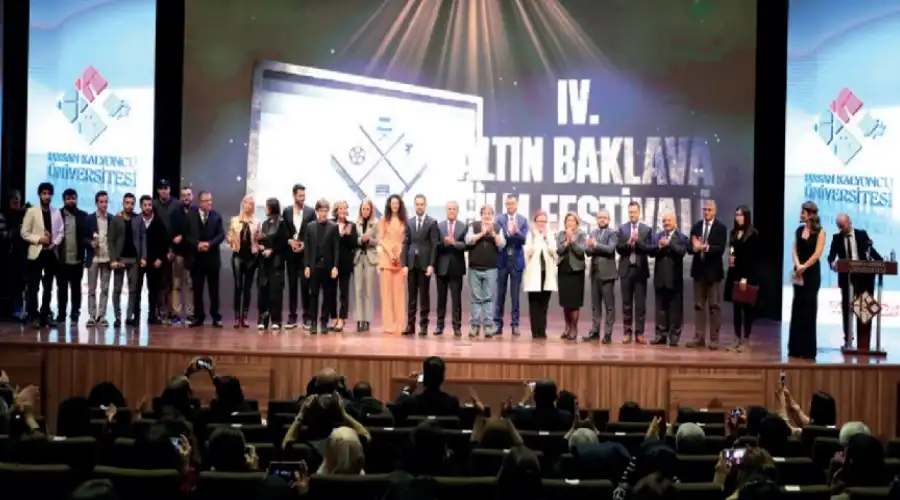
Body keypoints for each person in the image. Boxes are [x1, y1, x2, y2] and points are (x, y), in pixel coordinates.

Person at [827, 214, 882, 350]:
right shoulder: (837, 238)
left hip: (864, 278)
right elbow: (831, 256)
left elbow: (871, 251)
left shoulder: (862, 234)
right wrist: (832, 263)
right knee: (847, 309)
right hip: (846, 278)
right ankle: (848, 340)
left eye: (842, 225)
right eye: (839, 226)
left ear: (849, 222)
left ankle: (863, 342)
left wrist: (881, 262)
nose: (841, 229)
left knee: (864, 309)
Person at [21, 182, 64, 328]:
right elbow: (24, 233)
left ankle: (45, 314)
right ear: (39, 195)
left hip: (51, 253)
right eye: (44, 193)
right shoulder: (31, 211)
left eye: (49, 194)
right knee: (33, 286)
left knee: (48, 287)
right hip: (36, 253)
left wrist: (54, 243)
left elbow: (61, 232)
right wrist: (39, 239)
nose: (47, 196)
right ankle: (33, 315)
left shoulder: (56, 212)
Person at [687, 200, 728, 350]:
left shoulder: (721, 228)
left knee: (714, 307)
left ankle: (714, 339)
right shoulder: (696, 226)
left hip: (713, 273)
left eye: (709, 210)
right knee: (698, 306)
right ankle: (699, 338)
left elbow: (720, 249)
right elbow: (689, 248)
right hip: (698, 273)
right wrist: (695, 248)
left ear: (714, 211)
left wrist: (706, 247)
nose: (706, 212)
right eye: (704, 209)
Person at [789, 201, 826, 359]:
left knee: (809, 309)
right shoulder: (799, 230)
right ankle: (795, 348)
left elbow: (817, 254)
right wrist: (798, 265)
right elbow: (794, 250)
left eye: (803, 212)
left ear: (811, 214)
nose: (801, 214)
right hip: (799, 272)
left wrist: (805, 266)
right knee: (797, 307)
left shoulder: (820, 232)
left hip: (811, 273)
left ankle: (807, 350)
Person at [184, 191, 226, 328]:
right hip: (196, 259)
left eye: (210, 200)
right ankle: (198, 316)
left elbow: (221, 235)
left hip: (212, 259)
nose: (210, 203)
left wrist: (209, 244)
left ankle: (216, 317)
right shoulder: (190, 216)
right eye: (207, 200)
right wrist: (197, 245)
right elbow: (186, 235)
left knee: (214, 290)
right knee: (197, 290)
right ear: (200, 202)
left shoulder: (216, 216)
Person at [465, 204, 506, 338]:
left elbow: (502, 244)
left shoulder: (497, 227)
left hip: (491, 268)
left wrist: (493, 233)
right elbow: (468, 241)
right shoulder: (473, 226)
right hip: (474, 267)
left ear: (492, 215)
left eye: (489, 213)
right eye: (484, 213)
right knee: (476, 298)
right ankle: (475, 326)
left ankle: (488, 326)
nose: (487, 216)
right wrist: (482, 233)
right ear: (481, 215)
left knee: (488, 297)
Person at [616, 201, 653, 344]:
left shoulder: (646, 229)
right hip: (626, 270)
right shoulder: (622, 229)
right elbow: (619, 249)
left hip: (640, 270)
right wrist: (628, 243)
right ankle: (627, 332)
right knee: (626, 303)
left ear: (639, 212)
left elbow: (650, 249)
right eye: (630, 212)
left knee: (640, 304)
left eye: (634, 212)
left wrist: (638, 243)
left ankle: (639, 333)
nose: (632, 214)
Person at [724, 205, 760, 352]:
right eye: (737, 215)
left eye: (741, 215)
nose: (738, 218)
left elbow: (753, 258)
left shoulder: (753, 234)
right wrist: (730, 259)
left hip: (747, 275)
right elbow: (732, 251)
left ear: (746, 217)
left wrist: (745, 277)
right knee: (736, 308)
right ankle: (737, 338)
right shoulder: (733, 233)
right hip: (734, 273)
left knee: (747, 309)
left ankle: (746, 339)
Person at [403, 194, 438, 336]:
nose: (419, 207)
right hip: (411, 264)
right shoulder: (409, 222)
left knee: (424, 296)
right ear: (414, 205)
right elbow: (406, 244)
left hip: (424, 264)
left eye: (422, 204)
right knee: (411, 297)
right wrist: (405, 264)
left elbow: (434, 245)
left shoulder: (432, 222)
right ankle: (410, 325)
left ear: (425, 205)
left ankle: (423, 326)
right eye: (417, 204)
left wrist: (431, 264)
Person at [650, 211, 687, 347]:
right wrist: (658, 246)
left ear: (675, 222)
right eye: (664, 221)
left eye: (669, 220)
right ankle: (661, 335)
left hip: (674, 279)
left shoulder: (681, 237)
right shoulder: (657, 236)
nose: (666, 223)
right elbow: (651, 252)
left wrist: (669, 244)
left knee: (675, 310)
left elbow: (682, 252)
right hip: (660, 278)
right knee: (661, 309)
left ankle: (674, 337)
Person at [304, 198, 340, 334]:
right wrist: (307, 266)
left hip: (328, 266)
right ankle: (313, 322)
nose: (324, 213)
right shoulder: (310, 226)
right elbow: (307, 248)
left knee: (328, 295)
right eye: (321, 211)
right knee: (313, 295)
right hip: (314, 266)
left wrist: (335, 266)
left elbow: (336, 248)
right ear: (317, 211)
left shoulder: (333, 227)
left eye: (326, 211)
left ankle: (324, 321)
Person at [284, 183, 316, 330]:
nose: (302, 198)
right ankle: (292, 317)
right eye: (300, 196)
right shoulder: (287, 211)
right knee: (292, 286)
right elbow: (284, 231)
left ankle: (306, 317)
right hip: (291, 255)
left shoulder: (310, 212)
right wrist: (289, 241)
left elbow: (314, 232)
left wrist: (305, 244)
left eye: (304, 195)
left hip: (305, 255)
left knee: (305, 286)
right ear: (294, 195)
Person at [495, 195, 528, 336]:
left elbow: (524, 240)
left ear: (517, 204)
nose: (509, 206)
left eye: (512, 203)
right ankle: (498, 324)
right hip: (502, 260)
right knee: (500, 294)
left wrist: (516, 232)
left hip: (516, 261)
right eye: (507, 203)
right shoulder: (499, 219)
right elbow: (499, 238)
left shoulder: (523, 220)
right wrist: (511, 236)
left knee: (515, 296)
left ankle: (515, 324)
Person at [227, 195, 260, 328]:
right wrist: (231, 240)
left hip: (251, 257)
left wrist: (259, 246)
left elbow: (258, 239)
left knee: (247, 288)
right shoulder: (234, 220)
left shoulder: (257, 222)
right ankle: (236, 317)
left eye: (251, 204)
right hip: (238, 256)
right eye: (246, 203)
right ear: (242, 205)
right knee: (238, 286)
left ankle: (244, 317)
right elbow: (229, 237)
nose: (248, 206)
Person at [108, 193, 141, 328]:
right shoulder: (116, 219)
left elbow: (142, 238)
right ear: (123, 203)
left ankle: (129, 317)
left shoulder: (138, 219)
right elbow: (110, 240)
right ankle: (117, 317)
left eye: (132, 203)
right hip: (119, 259)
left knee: (133, 290)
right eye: (127, 203)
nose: (129, 205)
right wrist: (112, 259)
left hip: (134, 259)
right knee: (117, 289)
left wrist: (142, 257)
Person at [56, 188, 88, 324]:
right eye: (68, 198)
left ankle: (75, 314)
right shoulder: (57, 214)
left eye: (73, 198)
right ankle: (61, 314)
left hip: (77, 259)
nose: (71, 201)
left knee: (76, 288)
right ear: (64, 200)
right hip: (61, 259)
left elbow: (86, 236)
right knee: (61, 288)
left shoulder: (83, 216)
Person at [435, 200, 467, 337]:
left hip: (456, 267)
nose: (451, 211)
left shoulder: (463, 226)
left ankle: (457, 327)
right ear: (446, 211)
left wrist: (454, 243)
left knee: (456, 300)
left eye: (454, 209)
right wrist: (444, 243)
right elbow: (435, 244)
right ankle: (439, 326)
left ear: (457, 211)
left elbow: (466, 245)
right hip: (441, 267)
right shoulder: (439, 226)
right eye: (449, 209)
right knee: (441, 299)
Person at [523, 210, 557, 339]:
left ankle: (542, 330)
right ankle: (535, 331)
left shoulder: (550, 235)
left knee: (544, 303)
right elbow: (528, 252)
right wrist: (533, 239)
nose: (541, 223)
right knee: (534, 303)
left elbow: (554, 251)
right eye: (539, 221)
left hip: (546, 274)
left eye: (544, 221)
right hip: (534, 274)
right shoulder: (530, 234)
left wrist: (546, 240)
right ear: (535, 222)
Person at [585, 208, 618, 343]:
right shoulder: (593, 232)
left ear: (609, 220)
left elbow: (610, 249)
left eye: (604, 218)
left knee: (609, 306)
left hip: (607, 274)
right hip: (594, 273)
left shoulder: (612, 233)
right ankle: (595, 331)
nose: (602, 220)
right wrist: (590, 246)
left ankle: (608, 334)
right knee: (595, 305)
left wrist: (595, 245)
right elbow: (587, 251)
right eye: (599, 218)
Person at [378, 195, 409, 335]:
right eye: (393, 203)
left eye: (397, 203)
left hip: (400, 260)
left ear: (400, 205)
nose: (395, 205)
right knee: (387, 294)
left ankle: (399, 324)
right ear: (389, 205)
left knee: (399, 294)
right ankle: (388, 325)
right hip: (386, 259)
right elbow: (381, 239)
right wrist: (390, 253)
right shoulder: (383, 221)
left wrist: (399, 252)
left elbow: (406, 240)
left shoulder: (405, 221)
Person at [137, 194, 170, 325]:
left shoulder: (158, 221)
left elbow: (165, 242)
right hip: (140, 261)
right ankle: (136, 316)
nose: (148, 207)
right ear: (141, 206)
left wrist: (160, 259)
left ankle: (152, 316)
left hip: (154, 262)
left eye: (149, 205)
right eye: (145, 205)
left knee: (154, 291)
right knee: (137, 290)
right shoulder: (137, 221)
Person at [257, 198, 288, 330]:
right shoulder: (264, 223)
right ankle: (263, 320)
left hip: (276, 263)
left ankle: (276, 320)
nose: (265, 209)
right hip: (264, 263)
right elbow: (262, 240)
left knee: (275, 293)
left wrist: (272, 250)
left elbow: (284, 243)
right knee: (263, 291)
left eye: (266, 207)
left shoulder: (282, 223)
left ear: (271, 208)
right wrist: (261, 247)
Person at [394, 356, 461, 417]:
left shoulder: (411, 402)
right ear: (442, 378)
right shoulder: (452, 403)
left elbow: (396, 409)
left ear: (424, 377)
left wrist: (408, 388)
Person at [556, 212, 587, 340]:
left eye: (573, 220)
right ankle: (567, 327)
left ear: (577, 223)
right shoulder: (560, 234)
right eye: (568, 220)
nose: (570, 223)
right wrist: (566, 243)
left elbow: (581, 252)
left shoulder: (581, 234)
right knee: (565, 302)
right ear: (565, 223)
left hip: (576, 271)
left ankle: (574, 328)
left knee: (574, 302)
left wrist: (572, 241)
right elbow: (558, 251)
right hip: (563, 270)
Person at [85, 192, 113, 326]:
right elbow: (83, 237)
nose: (104, 204)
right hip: (94, 257)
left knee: (105, 289)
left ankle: (102, 316)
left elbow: (114, 239)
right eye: (101, 202)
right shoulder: (89, 218)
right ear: (96, 203)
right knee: (91, 289)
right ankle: (91, 316)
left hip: (107, 258)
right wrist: (90, 243)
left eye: (106, 201)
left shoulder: (112, 219)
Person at [168, 187, 195, 325]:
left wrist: (183, 236)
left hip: (192, 254)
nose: (186, 197)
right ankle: (176, 314)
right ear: (180, 197)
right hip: (178, 254)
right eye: (183, 195)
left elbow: (194, 232)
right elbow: (171, 234)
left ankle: (190, 314)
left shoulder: (196, 212)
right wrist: (171, 249)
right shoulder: (175, 213)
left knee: (190, 285)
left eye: (188, 195)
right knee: (176, 285)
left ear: (192, 196)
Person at [329, 200, 357, 333]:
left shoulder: (351, 225)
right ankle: (334, 317)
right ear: (336, 210)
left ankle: (342, 318)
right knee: (331, 292)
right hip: (332, 264)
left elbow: (354, 244)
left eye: (345, 209)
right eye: (340, 208)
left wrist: (347, 235)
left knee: (344, 292)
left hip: (345, 263)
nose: (343, 211)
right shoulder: (330, 223)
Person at [153, 179, 178, 325]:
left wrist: (172, 250)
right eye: (161, 188)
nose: (164, 190)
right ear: (158, 190)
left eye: (166, 188)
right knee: (160, 284)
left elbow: (180, 226)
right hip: (158, 250)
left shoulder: (177, 204)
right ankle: (161, 312)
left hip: (174, 249)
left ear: (170, 189)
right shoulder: (153, 205)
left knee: (173, 284)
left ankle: (172, 312)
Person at [353, 199, 378, 333]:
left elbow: (378, 240)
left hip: (370, 258)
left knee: (368, 291)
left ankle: (367, 320)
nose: (365, 211)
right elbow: (352, 239)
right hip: (358, 258)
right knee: (358, 290)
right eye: (363, 209)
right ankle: (359, 320)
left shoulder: (376, 223)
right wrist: (359, 239)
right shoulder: (355, 223)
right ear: (360, 210)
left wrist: (369, 240)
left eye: (368, 209)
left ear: (371, 210)